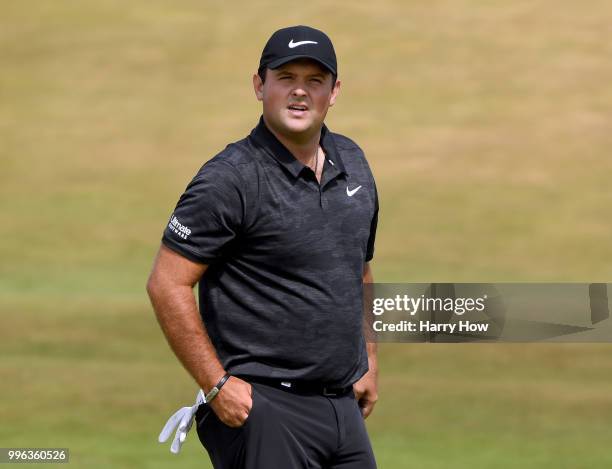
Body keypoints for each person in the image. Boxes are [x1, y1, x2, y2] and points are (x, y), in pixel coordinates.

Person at [147, 25, 379, 469]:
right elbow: (166, 284)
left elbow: (359, 268)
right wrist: (216, 387)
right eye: (285, 78)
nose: (300, 92)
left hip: (341, 409)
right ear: (259, 85)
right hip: (264, 408)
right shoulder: (229, 178)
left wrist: (368, 358)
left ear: (334, 92)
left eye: (315, 81)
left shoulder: (354, 162)